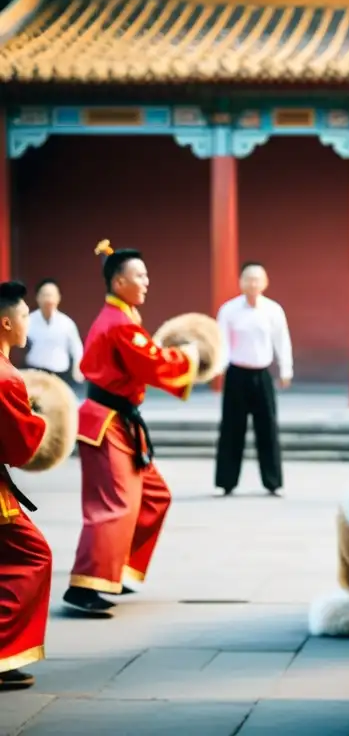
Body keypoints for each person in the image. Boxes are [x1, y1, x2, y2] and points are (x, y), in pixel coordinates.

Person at [63, 240, 199, 616]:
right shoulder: (121, 324)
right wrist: (191, 356)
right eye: (139, 276)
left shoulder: (122, 319)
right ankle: (84, 587)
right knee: (114, 505)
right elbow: (154, 364)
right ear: (119, 282)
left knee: (154, 495)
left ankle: (115, 570)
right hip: (107, 424)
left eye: (145, 274)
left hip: (120, 422)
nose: (146, 282)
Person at [0, 281, 53, 690]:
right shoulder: (6, 377)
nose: (26, 326)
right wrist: (39, 418)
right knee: (32, 556)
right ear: (5, 323)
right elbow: (20, 447)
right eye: (22, 317)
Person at [214, 261, 292, 496]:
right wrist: (218, 368)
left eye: (257, 279)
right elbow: (222, 343)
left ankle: (272, 482)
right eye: (248, 278)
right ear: (241, 282)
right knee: (231, 428)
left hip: (262, 374)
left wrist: (286, 369)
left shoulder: (273, 310)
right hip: (236, 374)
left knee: (267, 427)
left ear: (265, 283)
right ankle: (226, 482)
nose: (253, 283)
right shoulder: (228, 310)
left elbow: (282, 340)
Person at [26, 279, 84, 388]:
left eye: (52, 295)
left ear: (58, 298)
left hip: (60, 375)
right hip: (34, 373)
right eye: (45, 295)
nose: (48, 299)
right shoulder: (28, 320)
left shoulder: (67, 323)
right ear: (37, 297)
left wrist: (77, 368)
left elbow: (77, 349)